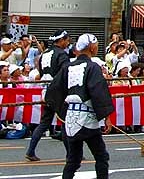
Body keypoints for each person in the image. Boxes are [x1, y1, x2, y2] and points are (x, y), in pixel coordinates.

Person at [45, 33, 113, 179]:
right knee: (101, 156)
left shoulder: (68, 67)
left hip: (70, 118)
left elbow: (54, 90)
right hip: (87, 119)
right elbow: (99, 92)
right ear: (91, 47)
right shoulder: (92, 67)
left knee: (73, 160)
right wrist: (106, 117)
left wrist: (61, 111)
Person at [25, 29, 71, 161]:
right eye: (67, 40)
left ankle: (30, 150)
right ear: (61, 40)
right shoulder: (61, 54)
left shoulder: (44, 54)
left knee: (45, 122)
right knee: (64, 122)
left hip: (45, 90)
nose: (68, 43)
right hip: (58, 92)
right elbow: (65, 73)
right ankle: (70, 154)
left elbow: (39, 70)